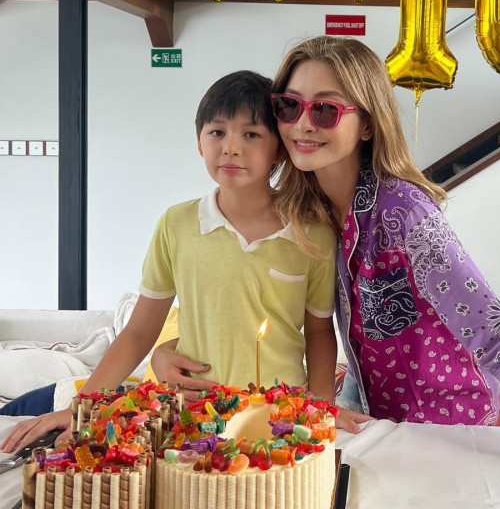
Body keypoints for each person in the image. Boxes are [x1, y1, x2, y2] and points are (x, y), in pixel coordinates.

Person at [152, 36, 500, 492]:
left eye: (325, 110)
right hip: (371, 413)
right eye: (289, 106)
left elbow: (494, 329)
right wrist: (167, 350)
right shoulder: (306, 213)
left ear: (367, 124)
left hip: (447, 427)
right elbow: (249, 303)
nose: (303, 124)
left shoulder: (406, 215)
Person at [1, 70, 363, 454]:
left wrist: (320, 409)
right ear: (199, 143)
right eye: (217, 132)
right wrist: (80, 408)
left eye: (251, 134)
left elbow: (319, 332)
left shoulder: (313, 236)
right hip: (194, 421)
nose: (231, 147)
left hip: (281, 421)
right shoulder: (176, 225)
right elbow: (139, 331)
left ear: (278, 148)